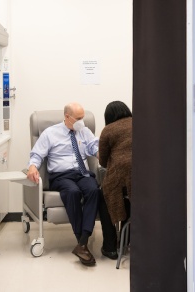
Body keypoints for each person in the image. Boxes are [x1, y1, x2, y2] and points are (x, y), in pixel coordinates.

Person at [26, 102, 117, 266]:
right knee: (73, 192)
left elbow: (94, 147)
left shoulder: (84, 131)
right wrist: (32, 167)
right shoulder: (50, 133)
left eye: (83, 118)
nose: (82, 122)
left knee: (94, 191)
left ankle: (82, 243)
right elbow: (37, 154)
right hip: (61, 176)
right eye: (79, 118)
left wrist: (104, 156)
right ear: (67, 117)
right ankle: (81, 241)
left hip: (82, 173)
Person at [98, 101, 132, 227]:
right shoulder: (141, 123)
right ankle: (128, 239)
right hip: (145, 178)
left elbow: (103, 162)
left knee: (103, 195)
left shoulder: (108, 130)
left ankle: (110, 244)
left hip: (120, 178)